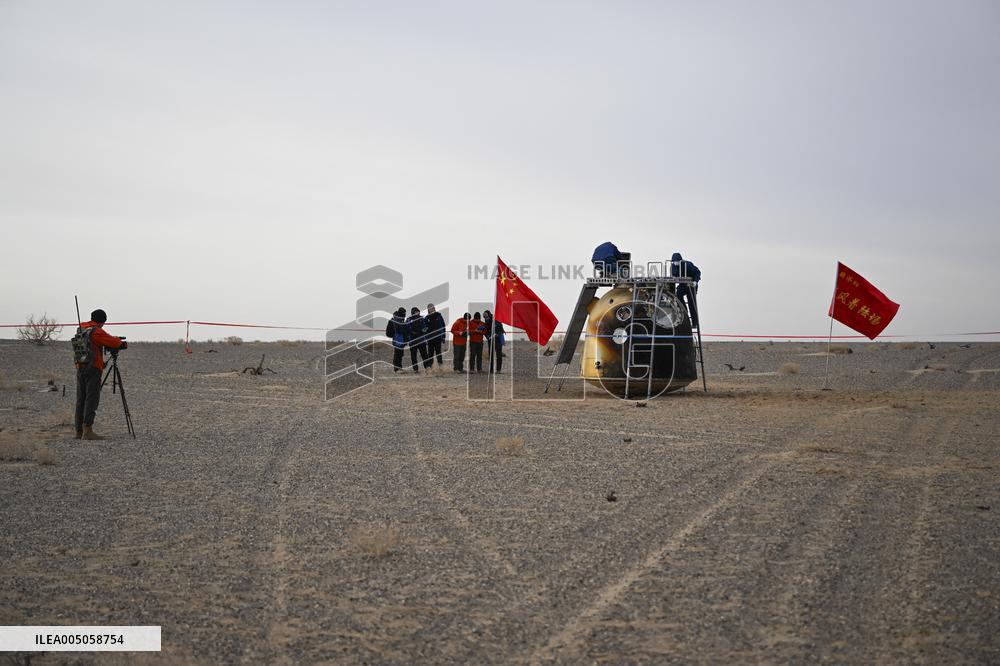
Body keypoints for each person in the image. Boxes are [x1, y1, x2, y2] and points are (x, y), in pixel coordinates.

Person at [73, 308, 126, 440]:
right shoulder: (96, 331)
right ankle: (88, 430)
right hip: (93, 368)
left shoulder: (82, 328)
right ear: (102, 321)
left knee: (81, 399)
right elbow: (114, 343)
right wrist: (121, 343)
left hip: (80, 366)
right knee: (92, 399)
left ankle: (79, 431)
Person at [670, 252, 702, 327]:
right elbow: (673, 275)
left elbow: (697, 272)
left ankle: (694, 323)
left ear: (681, 260)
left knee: (692, 303)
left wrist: (695, 281)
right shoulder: (673, 266)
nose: (676, 263)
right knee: (678, 294)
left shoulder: (688, 264)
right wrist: (673, 278)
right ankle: (685, 311)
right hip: (683, 285)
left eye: (677, 261)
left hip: (691, 285)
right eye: (674, 261)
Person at [385, 307, 410, 372]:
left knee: (400, 354)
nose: (405, 314)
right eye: (404, 313)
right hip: (398, 339)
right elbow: (400, 330)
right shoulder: (396, 320)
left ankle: (398, 368)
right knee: (398, 354)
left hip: (400, 340)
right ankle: (397, 369)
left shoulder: (397, 319)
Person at [482, 309, 505, 373]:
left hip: (498, 341)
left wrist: (497, 333)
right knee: (491, 355)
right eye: (484, 317)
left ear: (489, 315)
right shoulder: (486, 323)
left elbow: (501, 330)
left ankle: (498, 370)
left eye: (486, 317)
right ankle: (491, 369)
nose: (486, 318)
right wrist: (487, 336)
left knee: (499, 355)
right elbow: (486, 332)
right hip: (490, 341)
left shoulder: (496, 321)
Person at [406, 306, 428, 373]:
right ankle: (415, 369)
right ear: (412, 313)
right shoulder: (409, 320)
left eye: (418, 312)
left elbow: (425, 327)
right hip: (413, 341)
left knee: (424, 355)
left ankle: (427, 368)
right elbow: (407, 328)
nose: (417, 313)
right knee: (413, 356)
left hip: (421, 340)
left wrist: (424, 331)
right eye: (415, 312)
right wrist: (412, 332)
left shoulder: (422, 319)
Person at [424, 303, 446, 368]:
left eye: (432, 307)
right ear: (428, 309)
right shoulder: (426, 318)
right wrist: (425, 337)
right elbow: (424, 328)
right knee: (430, 353)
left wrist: (443, 336)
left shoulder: (439, 315)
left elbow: (443, 326)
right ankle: (430, 367)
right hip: (430, 338)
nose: (431, 309)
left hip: (438, 337)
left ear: (434, 308)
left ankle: (440, 366)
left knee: (438, 353)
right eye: (430, 308)